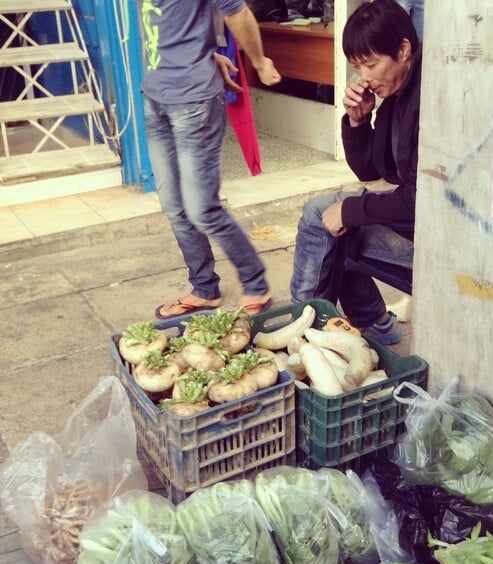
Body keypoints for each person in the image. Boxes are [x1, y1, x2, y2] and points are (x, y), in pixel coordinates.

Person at [290, 0, 421, 345]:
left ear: (404, 50)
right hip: (414, 223)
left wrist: (352, 210)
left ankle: (301, 327)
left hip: (436, 244)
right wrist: (358, 120)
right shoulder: (396, 90)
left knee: (327, 218)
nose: (364, 76)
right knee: (329, 216)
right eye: (357, 66)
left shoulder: (427, 98)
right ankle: (373, 323)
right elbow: (369, 170)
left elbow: (420, 200)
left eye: (371, 63)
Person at [140, 0, 281, 319]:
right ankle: (204, 289)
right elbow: (171, 22)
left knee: (202, 209)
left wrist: (258, 62)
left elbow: (237, 12)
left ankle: (256, 284)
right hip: (155, 98)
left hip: (195, 103)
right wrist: (208, 52)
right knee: (174, 207)